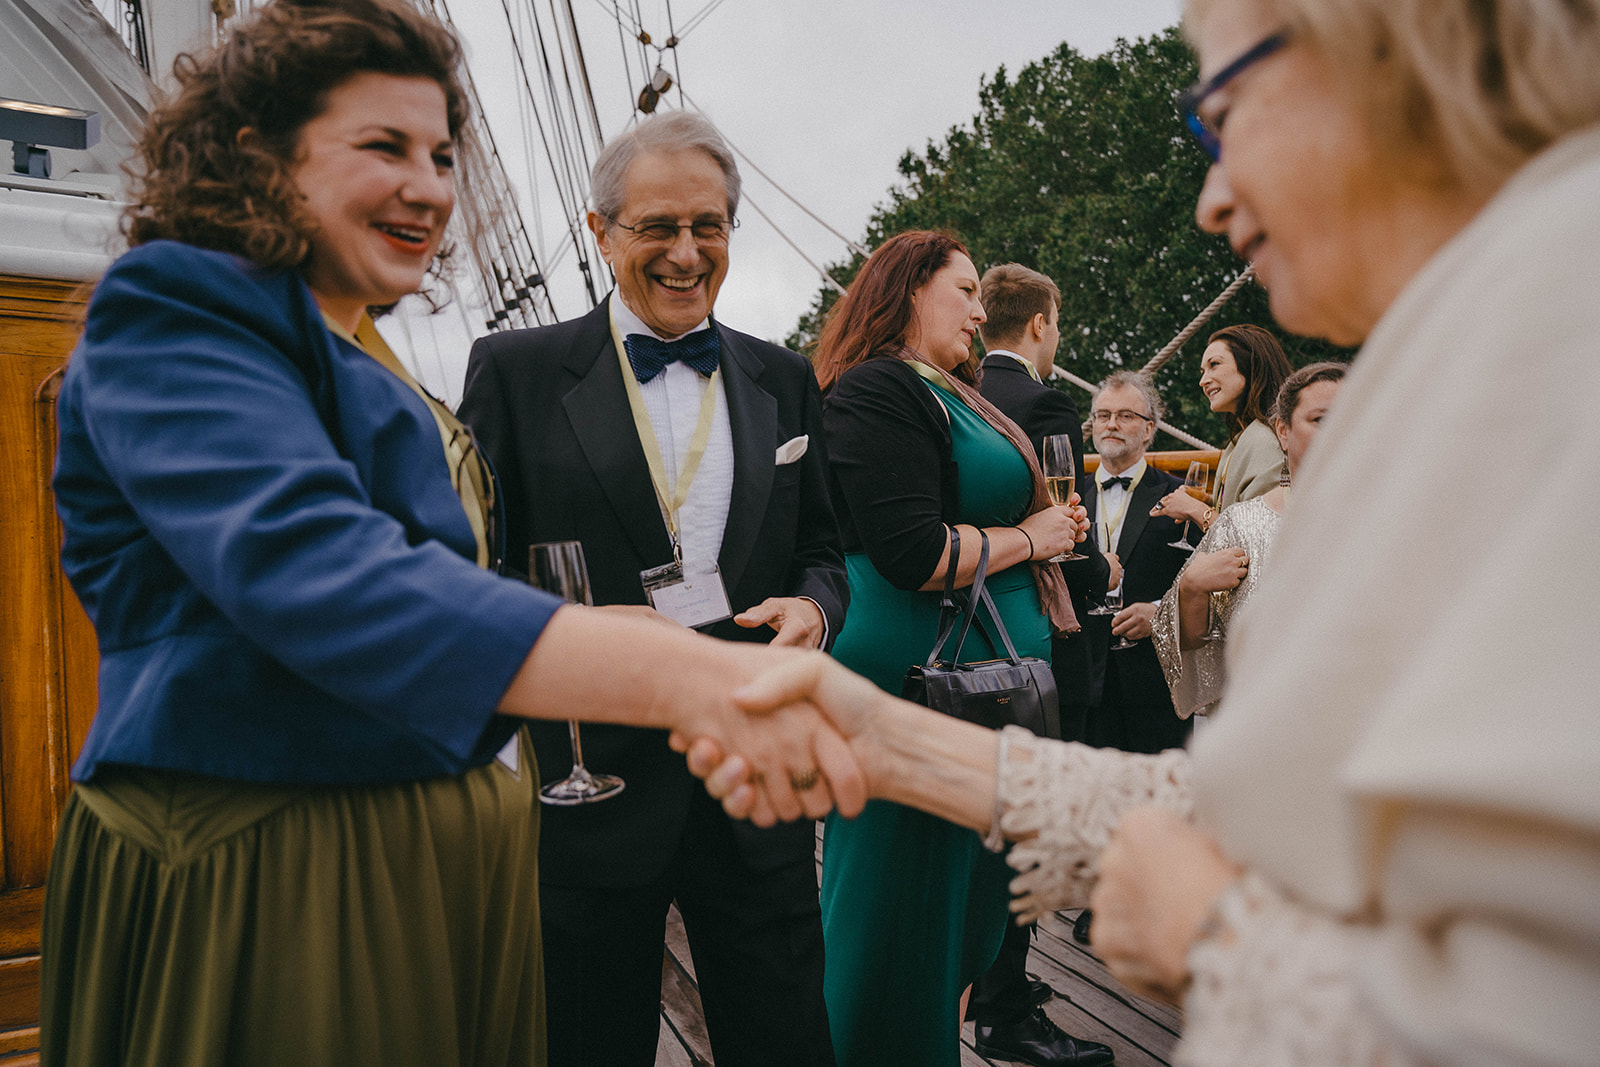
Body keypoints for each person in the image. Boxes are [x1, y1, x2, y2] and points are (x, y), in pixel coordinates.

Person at [685, 0, 1600, 1062]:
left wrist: (1212, 940)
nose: (1208, 199)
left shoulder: (1548, 348)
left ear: (1391, 61)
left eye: (1222, 114)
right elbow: (1314, 816)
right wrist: (890, 741)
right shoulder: (1482, 341)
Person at [41, 4, 857, 1065]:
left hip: (421, 860)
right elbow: (332, 580)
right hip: (271, 866)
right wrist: (685, 675)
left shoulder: (355, 347)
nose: (430, 184)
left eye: (440, 152)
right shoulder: (173, 309)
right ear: (257, 155)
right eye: (385, 146)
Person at [455, 111, 848, 1067]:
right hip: (593, 780)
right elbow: (467, 572)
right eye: (656, 227)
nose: (686, 252)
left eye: (707, 226)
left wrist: (816, 608)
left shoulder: (785, 376)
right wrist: (570, 633)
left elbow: (825, 550)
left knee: (788, 1036)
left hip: (758, 775)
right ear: (600, 231)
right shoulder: (514, 372)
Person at [810, 231, 1085, 1067]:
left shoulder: (948, 389)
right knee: (899, 913)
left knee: (960, 915)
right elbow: (913, 553)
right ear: (906, 291)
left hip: (980, 690)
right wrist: (1032, 539)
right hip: (911, 686)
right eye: (963, 290)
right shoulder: (876, 388)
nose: (978, 309)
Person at [972, 264, 1115, 1067]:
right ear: (1039, 323)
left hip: (968, 639)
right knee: (1031, 823)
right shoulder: (1045, 403)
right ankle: (1004, 1005)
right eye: (1057, 322)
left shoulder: (957, 395)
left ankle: (989, 986)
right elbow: (1071, 527)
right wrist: (1107, 576)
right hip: (1041, 643)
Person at [1153, 362, 1346, 720]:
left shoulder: (1393, 519)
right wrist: (1191, 589)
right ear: (1283, 431)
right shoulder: (1241, 524)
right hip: (1263, 724)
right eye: (1321, 419)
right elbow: (1193, 643)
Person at [1081, 371, 1194, 755]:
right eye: (1103, 415)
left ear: (1148, 430)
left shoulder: (1180, 497)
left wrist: (1161, 614)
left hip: (1156, 687)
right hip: (1080, 682)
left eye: (1125, 416)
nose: (1111, 424)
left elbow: (1208, 582)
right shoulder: (1066, 497)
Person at [1154, 323, 1291, 530]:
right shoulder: (1241, 440)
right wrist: (1208, 502)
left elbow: (1259, 537)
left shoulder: (1267, 442)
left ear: (1250, 365)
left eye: (1214, 364)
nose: (1203, 381)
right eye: (1202, 371)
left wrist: (1198, 511)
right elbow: (1241, 510)